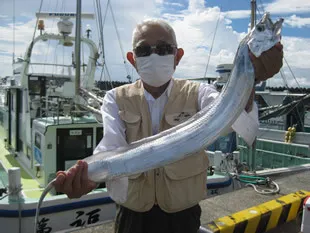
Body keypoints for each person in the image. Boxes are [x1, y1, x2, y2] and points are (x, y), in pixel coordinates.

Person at [54, 19, 283, 233]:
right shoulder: (115, 98)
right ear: (133, 59)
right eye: (144, 50)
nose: (154, 56)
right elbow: (111, 148)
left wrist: (251, 80)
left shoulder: (200, 93)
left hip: (183, 218)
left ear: (178, 56)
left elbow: (234, 119)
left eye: (164, 49)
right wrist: (88, 176)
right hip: (131, 218)